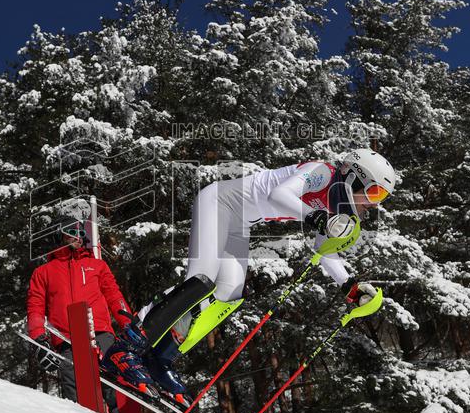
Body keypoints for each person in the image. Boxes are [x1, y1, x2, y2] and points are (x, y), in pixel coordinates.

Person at [106, 148, 397, 398]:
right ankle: (127, 345)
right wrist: (313, 216)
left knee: (228, 293)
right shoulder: (321, 171)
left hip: (238, 222)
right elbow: (279, 194)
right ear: (352, 176)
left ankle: (161, 357)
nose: (372, 203)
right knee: (201, 283)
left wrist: (349, 285)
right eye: (373, 192)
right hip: (219, 202)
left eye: (380, 197)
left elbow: (325, 249)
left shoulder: (336, 203)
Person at [27, 215, 144, 412]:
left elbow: (114, 296)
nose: (78, 237)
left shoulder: (97, 265)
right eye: (72, 232)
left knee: (114, 388)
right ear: (59, 235)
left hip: (101, 334)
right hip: (67, 341)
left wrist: (127, 322)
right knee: (77, 398)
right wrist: (39, 338)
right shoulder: (43, 272)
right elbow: (35, 307)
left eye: (81, 233)